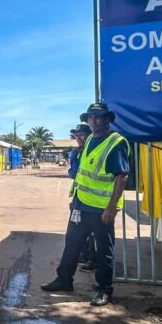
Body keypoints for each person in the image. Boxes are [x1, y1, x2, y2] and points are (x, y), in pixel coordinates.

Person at [41, 101, 129, 307]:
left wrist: (111, 207)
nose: (93, 120)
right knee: (72, 243)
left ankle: (104, 289)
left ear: (107, 119)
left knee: (103, 249)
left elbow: (122, 176)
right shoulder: (90, 140)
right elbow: (82, 174)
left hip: (101, 208)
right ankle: (64, 279)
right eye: (90, 117)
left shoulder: (115, 142)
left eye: (98, 117)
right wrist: (75, 199)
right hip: (81, 205)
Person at [68, 123, 98, 273]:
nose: (78, 138)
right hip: (79, 198)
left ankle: (94, 259)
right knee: (78, 230)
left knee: (92, 231)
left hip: (93, 199)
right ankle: (86, 255)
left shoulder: (92, 152)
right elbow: (74, 173)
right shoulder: (77, 153)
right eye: (76, 135)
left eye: (81, 135)